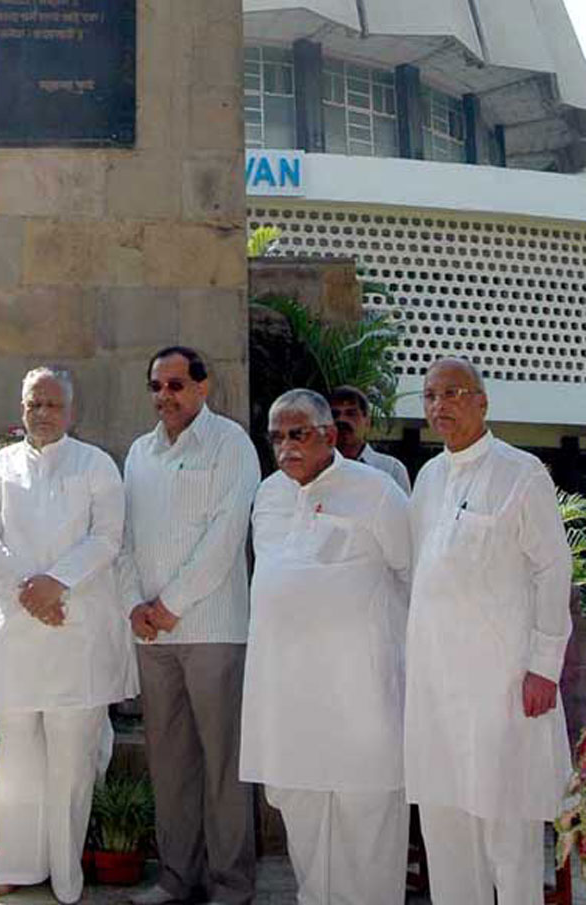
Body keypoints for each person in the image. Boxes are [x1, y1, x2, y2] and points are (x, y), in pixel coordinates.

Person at [0, 367, 135, 904]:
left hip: (78, 631)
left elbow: (107, 538)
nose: (43, 413)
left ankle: (65, 873)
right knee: (15, 757)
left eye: (53, 404)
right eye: (35, 403)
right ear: (22, 408)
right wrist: (27, 593)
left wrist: (57, 586)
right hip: (12, 631)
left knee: (73, 757)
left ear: (70, 411)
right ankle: (13, 864)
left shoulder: (96, 465)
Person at [405, 357, 572, 905]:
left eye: (454, 392)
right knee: (446, 828)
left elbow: (553, 569)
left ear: (482, 402)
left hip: (501, 687)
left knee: (508, 831)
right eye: (431, 395)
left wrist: (544, 667)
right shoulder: (428, 479)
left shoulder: (521, 472)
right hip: (435, 687)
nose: (440, 405)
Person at [240, 389, 411, 905]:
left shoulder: (377, 492)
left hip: (358, 686)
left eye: (298, 434)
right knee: (303, 808)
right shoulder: (268, 494)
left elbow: (410, 572)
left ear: (329, 436)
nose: (286, 446)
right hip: (288, 690)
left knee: (366, 813)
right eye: (277, 437)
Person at [120, 346, 260, 905]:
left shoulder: (232, 445)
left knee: (224, 764)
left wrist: (171, 603)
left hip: (213, 630)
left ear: (204, 387)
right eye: (156, 386)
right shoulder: (138, 453)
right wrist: (135, 603)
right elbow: (123, 536)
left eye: (176, 385)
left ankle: (231, 882)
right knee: (170, 761)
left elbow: (226, 536)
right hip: (153, 635)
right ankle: (177, 877)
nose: (164, 397)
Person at [329, 385, 410, 493]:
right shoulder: (315, 468)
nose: (342, 419)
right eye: (335, 414)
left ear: (367, 422)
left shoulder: (390, 469)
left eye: (351, 413)